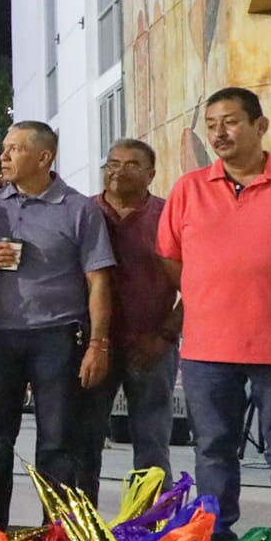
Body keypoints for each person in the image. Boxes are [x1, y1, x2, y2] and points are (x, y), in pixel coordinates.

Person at [159, 87, 271, 541]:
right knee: (214, 450)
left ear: (260, 126)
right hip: (207, 349)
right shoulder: (189, 188)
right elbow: (170, 257)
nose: (220, 133)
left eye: (231, 122)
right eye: (212, 124)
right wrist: (209, 295)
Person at [0, 121, 114, 523]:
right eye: (4, 148)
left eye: (14, 149)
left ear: (44, 157)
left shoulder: (79, 209)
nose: (4, 156)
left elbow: (99, 281)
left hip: (58, 337)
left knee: (58, 441)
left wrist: (98, 344)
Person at [83, 138, 180, 480]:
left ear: (151, 174)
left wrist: (165, 335)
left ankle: (155, 526)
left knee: (152, 444)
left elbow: (195, 285)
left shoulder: (168, 216)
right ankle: (82, 524)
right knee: (85, 440)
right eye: (112, 164)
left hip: (151, 346)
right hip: (94, 347)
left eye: (131, 165)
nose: (118, 172)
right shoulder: (84, 212)